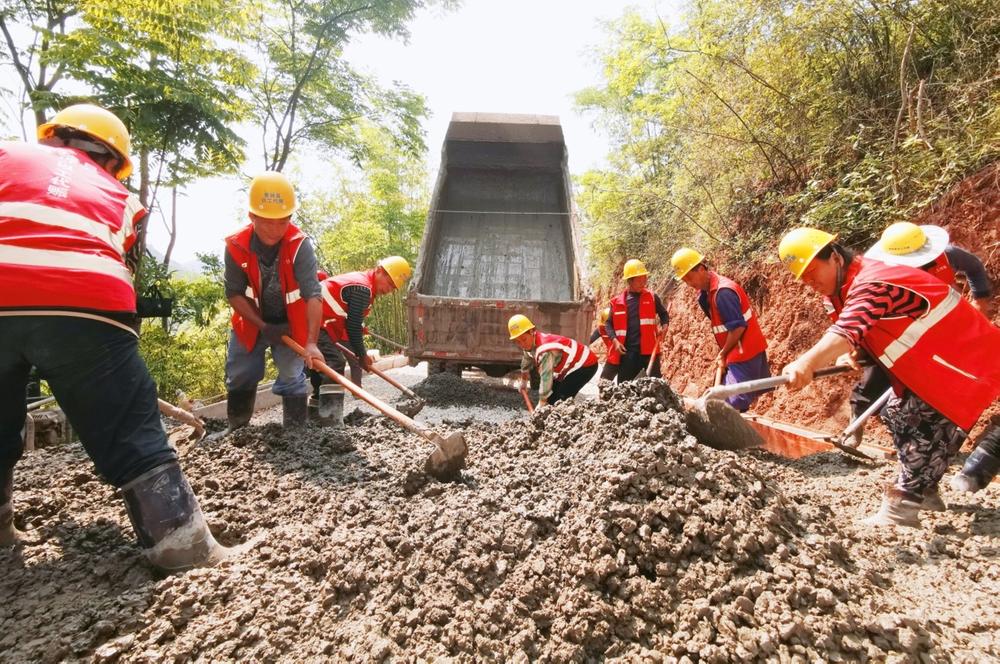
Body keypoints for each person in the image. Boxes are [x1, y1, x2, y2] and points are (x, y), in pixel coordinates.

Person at [0, 103, 227, 570]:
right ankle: (179, 544)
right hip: (82, 295)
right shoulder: (120, 196)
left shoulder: (7, 155)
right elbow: (117, 259)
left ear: (52, 139)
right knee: (129, 426)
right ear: (111, 162)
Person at [777, 227, 1000, 527]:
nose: (811, 282)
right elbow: (864, 331)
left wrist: (805, 362)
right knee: (898, 413)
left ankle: (903, 505)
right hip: (932, 364)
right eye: (804, 279)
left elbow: (847, 329)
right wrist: (857, 352)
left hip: (963, 354)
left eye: (813, 272)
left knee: (912, 417)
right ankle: (927, 489)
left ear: (834, 258)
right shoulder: (839, 291)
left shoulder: (872, 281)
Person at [841, 222, 997, 446]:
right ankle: (857, 423)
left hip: (941, 327)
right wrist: (856, 348)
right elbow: (863, 314)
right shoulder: (879, 273)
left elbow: (973, 266)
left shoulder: (949, 256)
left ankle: (944, 436)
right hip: (898, 331)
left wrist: (979, 301)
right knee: (879, 372)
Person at [223, 172, 323, 431]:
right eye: (267, 221)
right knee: (240, 372)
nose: (275, 230)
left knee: (292, 375)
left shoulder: (299, 245)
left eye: (282, 222)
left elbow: (313, 294)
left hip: (290, 324)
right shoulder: (236, 245)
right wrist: (263, 326)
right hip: (252, 321)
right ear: (252, 217)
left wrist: (311, 343)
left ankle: (296, 434)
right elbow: (233, 292)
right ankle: (238, 429)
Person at [310, 257, 412, 425]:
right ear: (379, 270)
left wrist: (358, 329)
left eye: (394, 287)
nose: (390, 290)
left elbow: (348, 318)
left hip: (316, 321)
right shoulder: (362, 288)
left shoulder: (364, 285)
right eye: (390, 283)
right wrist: (362, 355)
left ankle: (314, 416)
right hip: (313, 321)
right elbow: (353, 326)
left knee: (321, 366)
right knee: (335, 363)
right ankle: (329, 421)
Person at [671, 247, 771, 412]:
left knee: (732, 402)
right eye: (684, 280)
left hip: (745, 351)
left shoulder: (723, 292)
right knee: (722, 397)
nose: (689, 283)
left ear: (702, 269)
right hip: (735, 350)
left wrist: (723, 353)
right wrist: (724, 354)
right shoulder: (706, 295)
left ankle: (734, 433)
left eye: (689, 277)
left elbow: (738, 327)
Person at [509, 314, 598, 408]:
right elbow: (526, 359)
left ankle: (567, 419)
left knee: (560, 400)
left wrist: (541, 403)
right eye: (517, 342)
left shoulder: (545, 350)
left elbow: (546, 377)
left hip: (586, 364)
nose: (522, 344)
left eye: (523, 339)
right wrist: (523, 382)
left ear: (532, 332)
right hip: (570, 365)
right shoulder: (530, 344)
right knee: (551, 398)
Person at [605, 259, 669, 382]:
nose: (643, 282)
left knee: (655, 386)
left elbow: (663, 314)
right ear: (630, 280)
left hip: (649, 351)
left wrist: (665, 325)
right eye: (639, 280)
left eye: (644, 278)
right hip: (628, 353)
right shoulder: (617, 302)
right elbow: (608, 324)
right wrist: (615, 341)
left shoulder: (652, 297)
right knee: (626, 388)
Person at [588, 308, 620, 382]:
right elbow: (589, 340)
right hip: (613, 359)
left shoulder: (620, 329)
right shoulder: (601, 329)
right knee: (604, 382)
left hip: (620, 358)